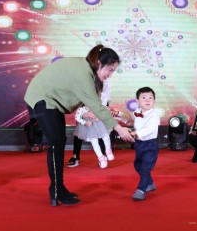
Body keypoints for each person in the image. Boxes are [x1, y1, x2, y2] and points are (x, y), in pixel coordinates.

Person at [24, 45, 135, 206]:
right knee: (56, 142)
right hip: (42, 99)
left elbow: (94, 104)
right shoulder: (84, 73)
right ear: (99, 63)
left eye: (113, 71)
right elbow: (95, 106)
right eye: (110, 70)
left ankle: (58, 189)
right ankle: (57, 190)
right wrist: (119, 128)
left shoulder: (86, 69)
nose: (110, 75)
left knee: (59, 140)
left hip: (51, 102)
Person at [67, 79, 116, 168]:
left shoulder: (104, 79)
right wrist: (85, 113)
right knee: (80, 131)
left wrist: (98, 111)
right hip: (84, 104)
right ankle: (76, 156)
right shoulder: (83, 76)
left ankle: (103, 156)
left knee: (102, 133)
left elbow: (105, 96)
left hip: (100, 106)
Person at [130, 87, 161, 201]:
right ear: (137, 101)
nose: (147, 100)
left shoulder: (154, 115)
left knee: (145, 168)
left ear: (154, 101)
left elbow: (151, 129)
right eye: (144, 97)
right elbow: (129, 118)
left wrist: (137, 133)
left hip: (150, 145)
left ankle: (141, 189)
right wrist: (118, 114)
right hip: (139, 144)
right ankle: (150, 183)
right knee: (137, 165)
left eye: (150, 98)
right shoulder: (137, 112)